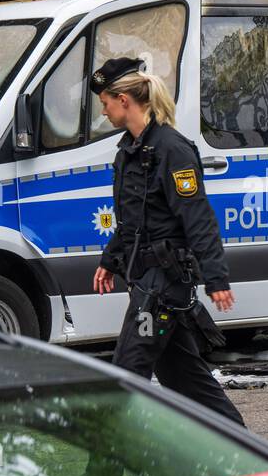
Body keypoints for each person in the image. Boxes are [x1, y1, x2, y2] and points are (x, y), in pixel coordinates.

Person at [90, 56, 246, 427]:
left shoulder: (172, 149)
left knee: (127, 375)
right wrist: (110, 260)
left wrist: (216, 278)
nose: (104, 112)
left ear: (124, 100)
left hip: (163, 288)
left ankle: (101, 475)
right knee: (184, 378)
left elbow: (198, 218)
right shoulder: (131, 150)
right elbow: (134, 221)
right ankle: (247, 453)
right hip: (144, 279)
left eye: (106, 104)